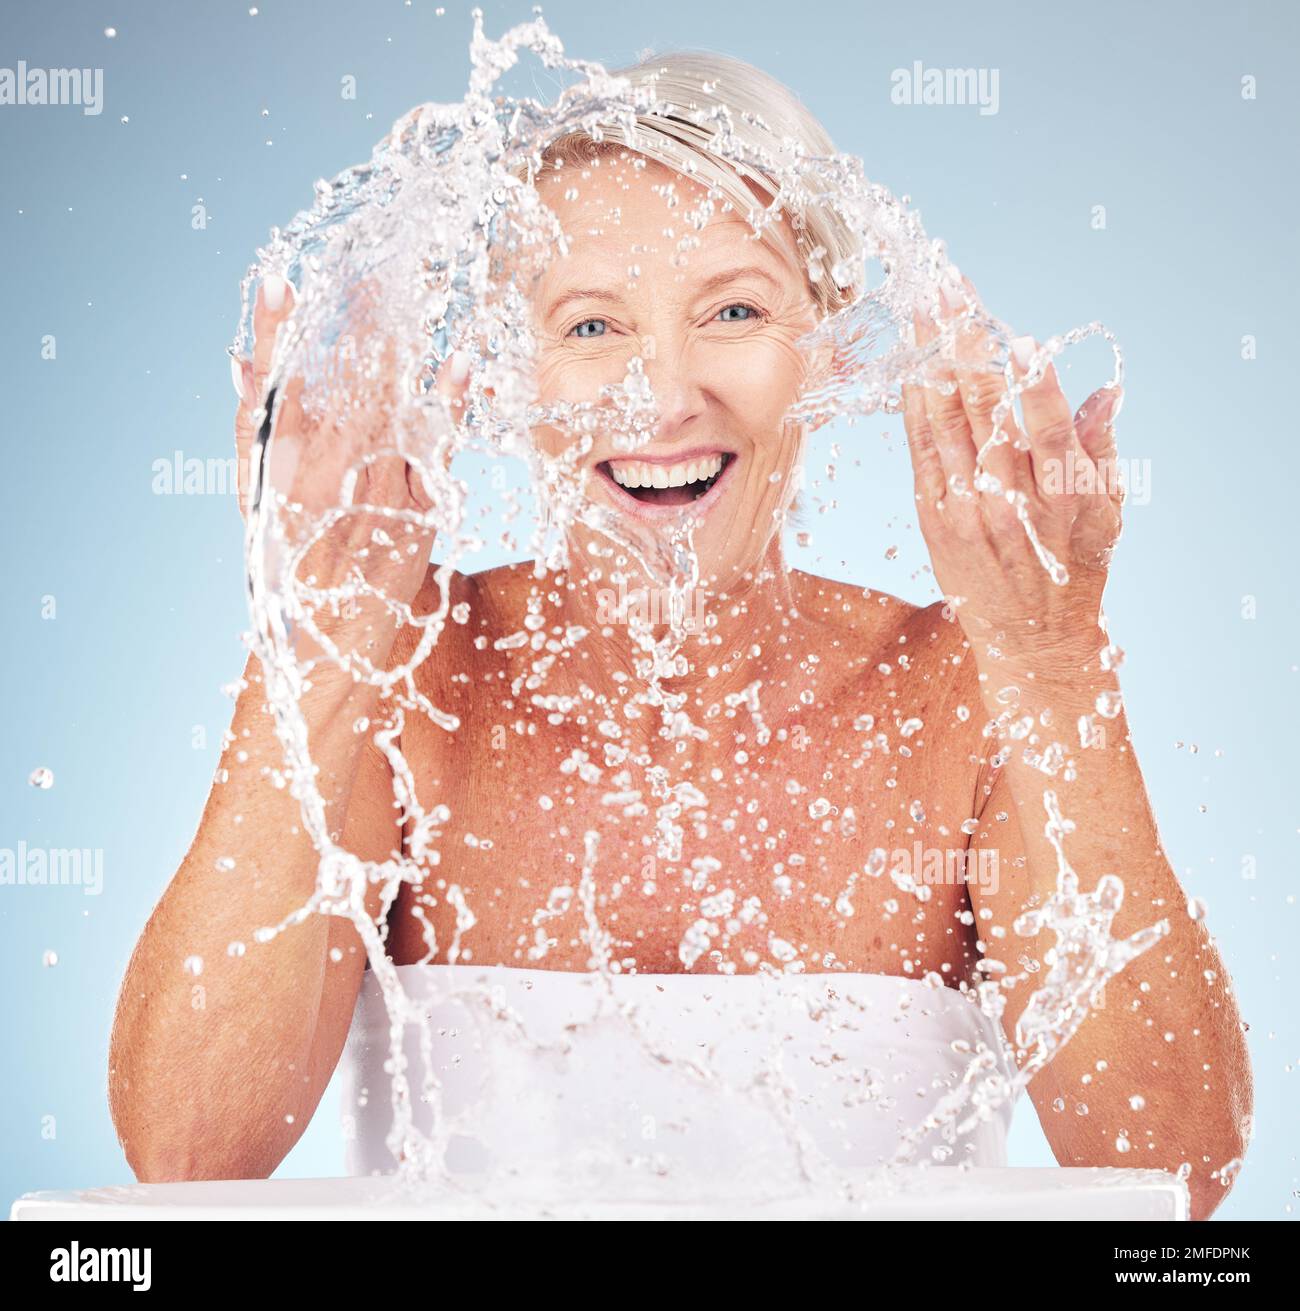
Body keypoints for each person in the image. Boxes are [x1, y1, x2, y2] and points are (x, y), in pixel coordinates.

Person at [107, 50, 1251, 1219]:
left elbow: (1176, 1172)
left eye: (735, 311)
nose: (659, 397)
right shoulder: (403, 675)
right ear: (512, 373)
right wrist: (313, 652)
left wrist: (1054, 663)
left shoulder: (962, 688)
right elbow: (190, 1156)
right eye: (591, 324)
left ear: (830, 346)